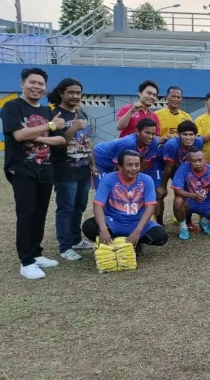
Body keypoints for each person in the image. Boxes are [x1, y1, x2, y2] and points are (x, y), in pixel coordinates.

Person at [1, 68, 66, 279]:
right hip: (21, 168)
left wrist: (39, 137)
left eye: (40, 84)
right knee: (26, 214)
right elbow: (19, 135)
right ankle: (26, 261)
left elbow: (61, 140)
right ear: (22, 83)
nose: (36, 87)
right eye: (32, 82)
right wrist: (48, 127)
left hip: (45, 168)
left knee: (40, 214)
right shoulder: (12, 107)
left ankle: (36, 254)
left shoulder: (47, 110)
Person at [82, 151, 168, 257]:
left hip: (137, 222)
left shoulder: (147, 180)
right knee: (89, 227)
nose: (134, 168)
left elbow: (150, 207)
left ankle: (136, 243)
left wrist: (138, 231)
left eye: (137, 165)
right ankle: (113, 242)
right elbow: (98, 205)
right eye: (129, 165)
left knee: (161, 237)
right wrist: (103, 230)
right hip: (113, 221)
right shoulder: (108, 179)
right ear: (120, 166)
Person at [48, 78, 97, 261]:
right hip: (65, 170)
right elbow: (59, 144)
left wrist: (93, 164)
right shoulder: (55, 116)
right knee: (66, 208)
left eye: (78, 92)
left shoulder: (82, 114)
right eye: (71, 92)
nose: (76, 96)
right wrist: (72, 128)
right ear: (62, 93)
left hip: (83, 169)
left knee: (79, 207)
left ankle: (76, 240)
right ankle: (65, 246)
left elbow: (87, 141)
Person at [172, 147, 210, 240]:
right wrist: (193, 196)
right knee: (178, 201)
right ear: (188, 160)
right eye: (194, 161)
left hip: (207, 202)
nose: (198, 163)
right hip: (189, 201)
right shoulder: (183, 169)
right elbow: (177, 190)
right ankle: (183, 227)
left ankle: (204, 221)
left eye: (200, 160)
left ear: (204, 158)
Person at [158, 120, 204, 231]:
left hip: (179, 166)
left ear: (195, 135)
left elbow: (192, 162)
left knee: (188, 190)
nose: (188, 138)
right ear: (179, 135)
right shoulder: (171, 145)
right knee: (159, 193)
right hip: (162, 165)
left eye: (191, 134)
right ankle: (159, 224)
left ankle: (188, 222)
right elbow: (168, 167)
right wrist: (163, 186)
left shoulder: (198, 142)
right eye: (185, 134)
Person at [93, 118, 159, 189]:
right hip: (100, 159)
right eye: (147, 133)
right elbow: (118, 166)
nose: (150, 137)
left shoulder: (154, 142)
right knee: (107, 189)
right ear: (138, 132)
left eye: (153, 134)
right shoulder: (129, 143)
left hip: (115, 162)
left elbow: (144, 164)